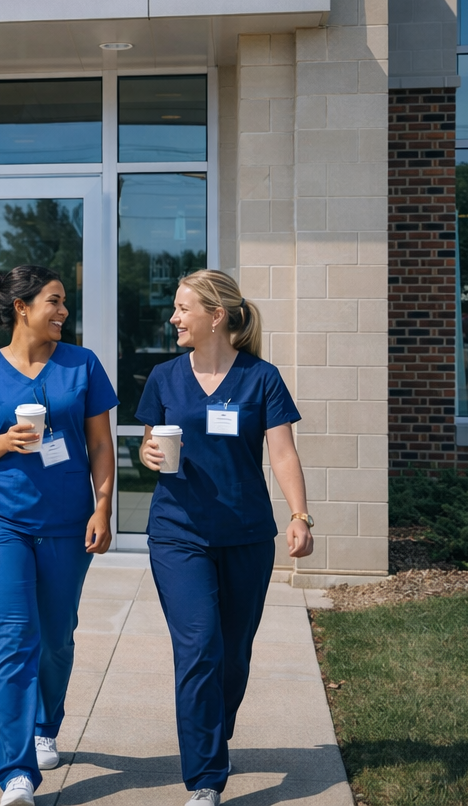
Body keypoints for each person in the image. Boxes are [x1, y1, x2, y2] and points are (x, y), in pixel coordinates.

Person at [135, 269, 315, 806]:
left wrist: (301, 515)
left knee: (233, 654)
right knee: (199, 649)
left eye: (183, 308)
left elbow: (282, 452)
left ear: (217, 316)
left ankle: (215, 732)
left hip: (246, 535)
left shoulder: (261, 378)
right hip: (177, 535)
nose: (174, 318)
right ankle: (206, 780)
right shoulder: (164, 376)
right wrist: (147, 455)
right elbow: (151, 442)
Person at [0, 264, 118, 806]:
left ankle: (47, 725)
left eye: (64, 301)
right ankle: (17, 771)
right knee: (13, 636)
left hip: (68, 523)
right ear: (22, 307)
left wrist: (103, 507)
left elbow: (99, 444)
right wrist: (4, 441)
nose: (64, 311)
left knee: (56, 637)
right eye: (54, 300)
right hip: (0, 522)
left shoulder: (82, 365)